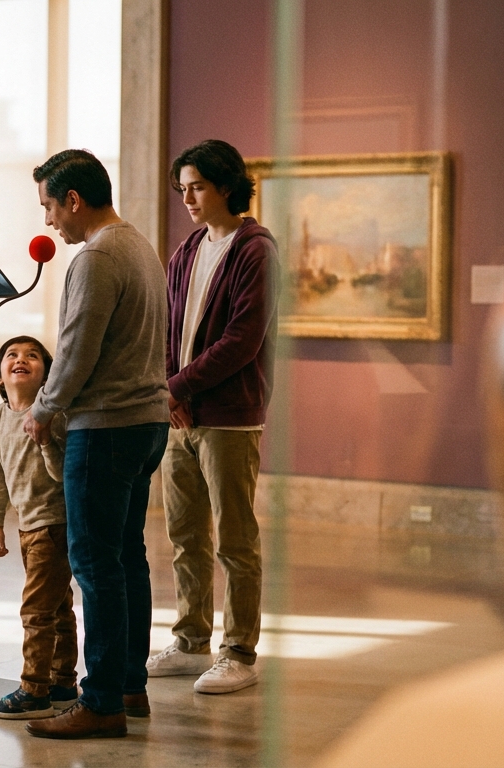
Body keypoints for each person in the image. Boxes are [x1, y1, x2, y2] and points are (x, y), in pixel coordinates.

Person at [20, 149, 170, 740]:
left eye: (50, 207)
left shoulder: (97, 257)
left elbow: (78, 347)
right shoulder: (139, 245)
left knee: (94, 565)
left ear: (74, 200)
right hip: (145, 422)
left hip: (105, 428)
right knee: (126, 556)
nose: (50, 221)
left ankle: (102, 700)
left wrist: (44, 408)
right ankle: (130, 684)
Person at [145, 139, 278, 695]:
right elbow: (168, 327)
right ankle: (191, 638)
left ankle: (239, 650)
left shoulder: (255, 251)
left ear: (226, 185)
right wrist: (168, 390)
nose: (188, 198)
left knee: (234, 539)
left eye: (197, 187)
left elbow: (241, 341)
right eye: (182, 189)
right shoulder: (187, 250)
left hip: (228, 417)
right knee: (184, 534)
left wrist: (176, 385)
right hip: (181, 414)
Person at [0, 335, 79, 720]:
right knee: (58, 608)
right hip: (27, 527)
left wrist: (43, 442)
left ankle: (34, 689)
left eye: (32, 355)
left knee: (36, 610)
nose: (21, 359)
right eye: (12, 355)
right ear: (0, 376)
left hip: (54, 524)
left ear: (47, 376)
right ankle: (62, 683)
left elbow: (62, 475)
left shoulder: (53, 416)